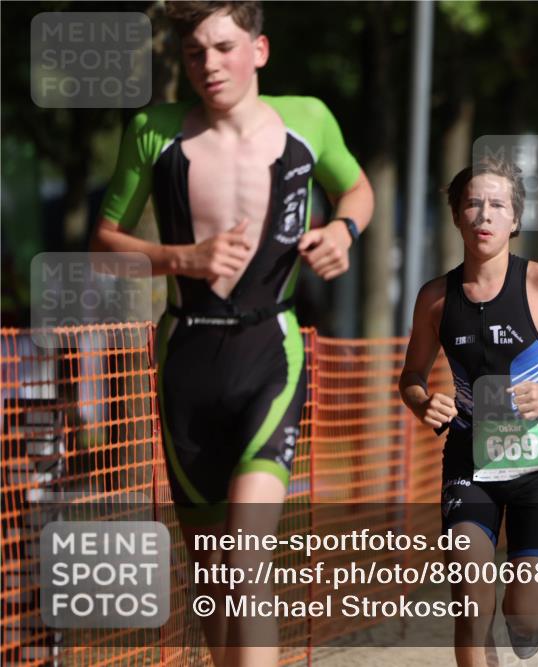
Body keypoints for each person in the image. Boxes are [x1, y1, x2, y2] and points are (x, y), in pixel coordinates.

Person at [89, 3, 373, 666]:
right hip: (186, 358)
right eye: (195, 53)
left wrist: (343, 231)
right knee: (214, 578)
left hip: (269, 351)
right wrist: (180, 258)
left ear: (260, 50)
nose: (209, 65)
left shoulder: (308, 118)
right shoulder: (153, 131)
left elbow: (357, 188)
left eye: (224, 47)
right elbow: (104, 244)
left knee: (247, 556)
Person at [399, 157, 538, 666]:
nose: (484, 214)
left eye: (497, 205)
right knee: (471, 604)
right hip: (469, 460)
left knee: (525, 622)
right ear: (456, 216)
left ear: (515, 219)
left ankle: (529, 617)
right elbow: (411, 377)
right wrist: (424, 402)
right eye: (473, 203)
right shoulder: (435, 298)